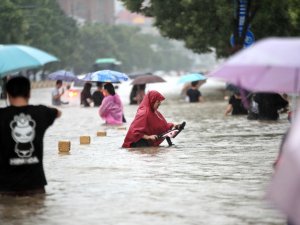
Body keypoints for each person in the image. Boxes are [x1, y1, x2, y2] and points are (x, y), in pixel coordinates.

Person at [0, 76, 61, 196]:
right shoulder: (41, 112)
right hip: (35, 186)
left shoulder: (1, 115)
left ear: (7, 93)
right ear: (29, 93)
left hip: (6, 188)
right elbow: (58, 112)